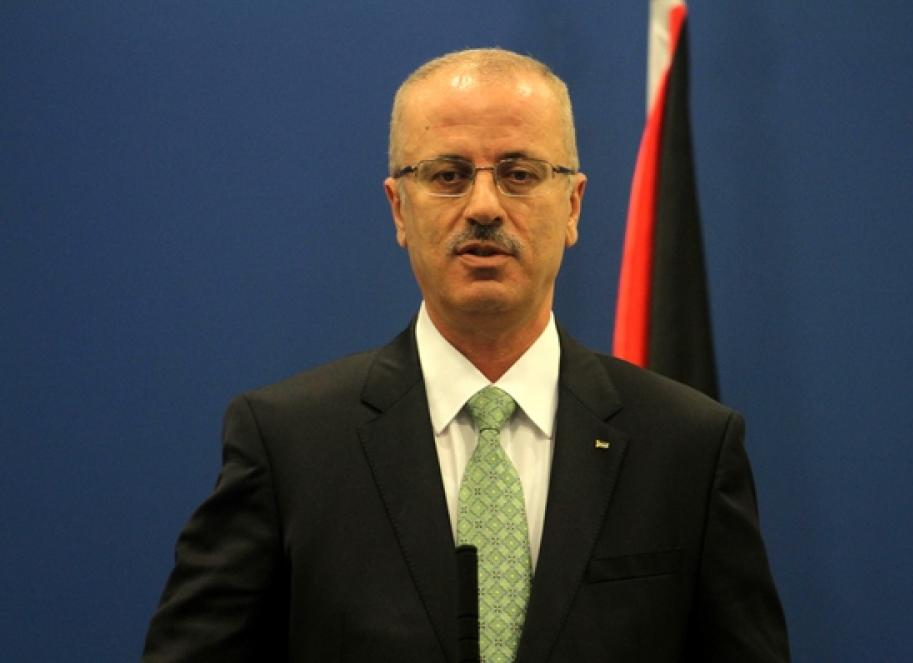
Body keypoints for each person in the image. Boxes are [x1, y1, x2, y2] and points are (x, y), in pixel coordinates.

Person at [144, 48, 789, 662]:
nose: (484, 207)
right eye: (448, 175)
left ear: (573, 206)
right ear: (399, 209)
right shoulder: (288, 445)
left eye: (519, 174)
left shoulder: (688, 448)